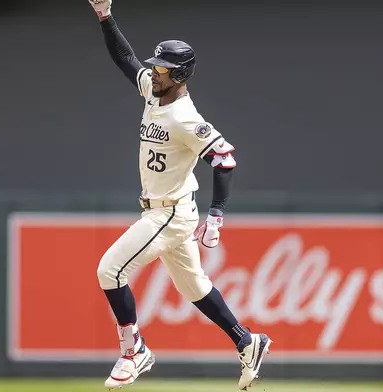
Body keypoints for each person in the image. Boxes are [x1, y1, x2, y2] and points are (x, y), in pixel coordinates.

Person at [88, 0, 272, 390]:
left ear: (181, 75)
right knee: (195, 287)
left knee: (110, 270)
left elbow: (224, 160)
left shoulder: (187, 118)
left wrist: (217, 215)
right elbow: (125, 58)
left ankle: (133, 350)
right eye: (156, 66)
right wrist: (105, 14)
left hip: (169, 214)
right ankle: (246, 340)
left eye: (163, 70)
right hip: (163, 209)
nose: (154, 72)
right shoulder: (154, 93)